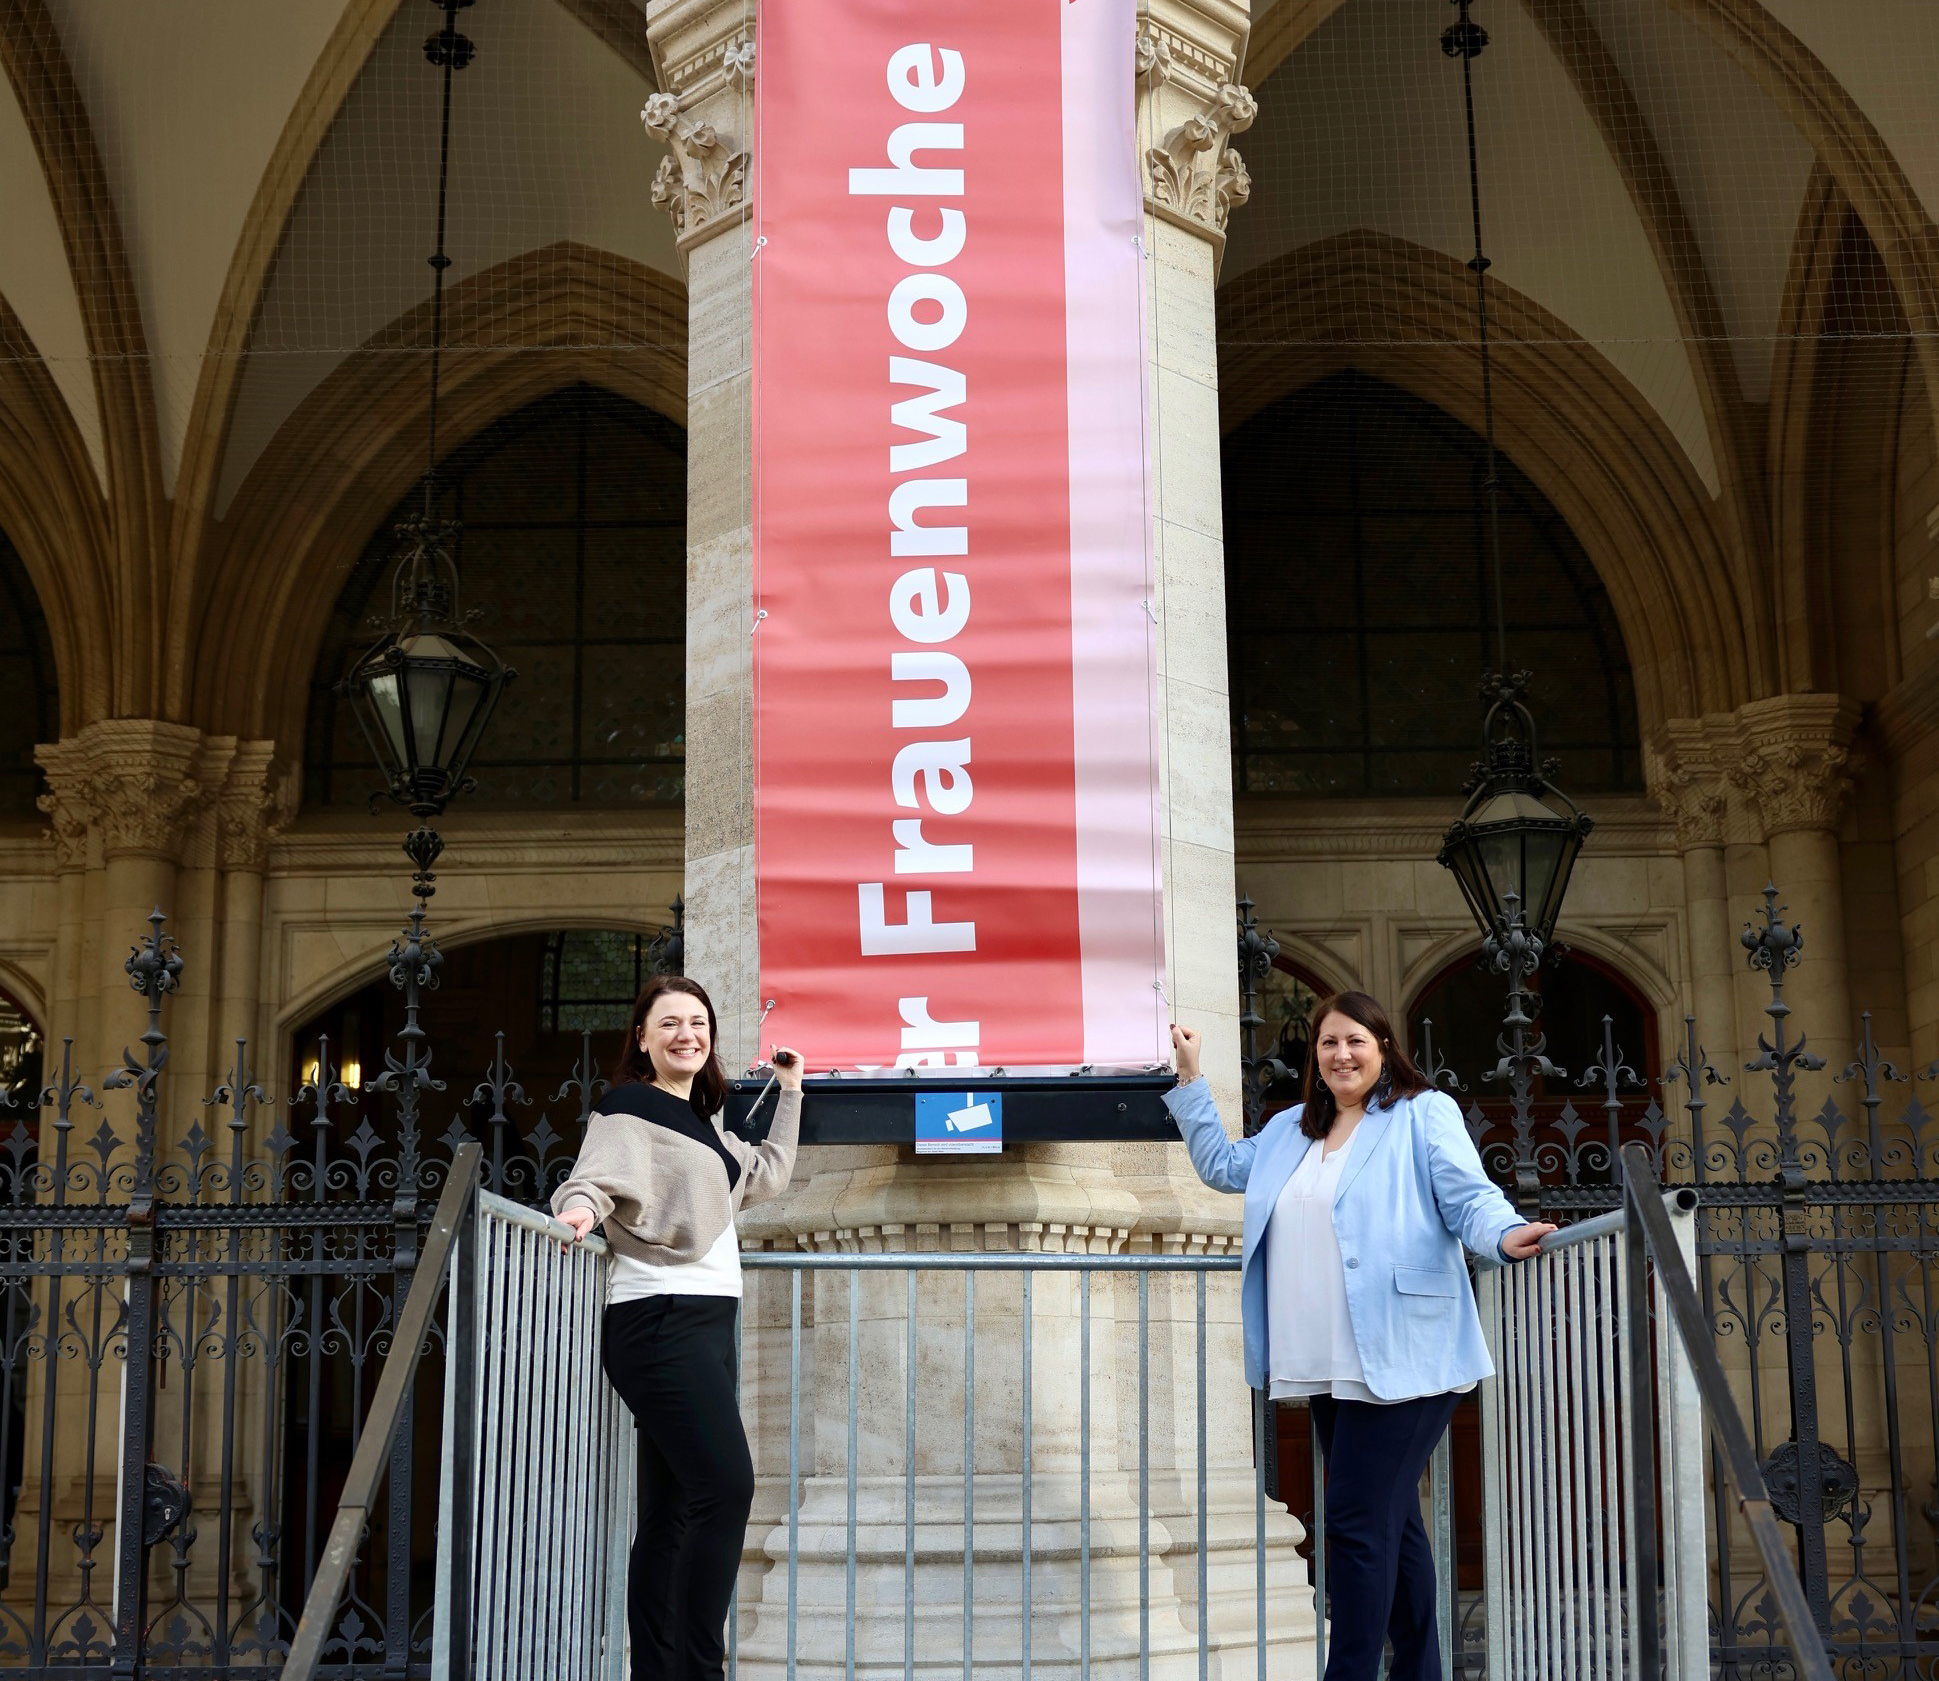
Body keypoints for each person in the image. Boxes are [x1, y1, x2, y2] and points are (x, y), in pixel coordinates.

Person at [1168, 994, 1554, 1681]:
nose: (1341, 1054)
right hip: (1321, 1357)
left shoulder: (1419, 1112)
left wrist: (1501, 1232)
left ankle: (1346, 1671)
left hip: (1405, 1350)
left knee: (1350, 1522)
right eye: (1327, 1044)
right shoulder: (1292, 1126)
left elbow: (1466, 1195)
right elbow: (1224, 1168)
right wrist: (1191, 1077)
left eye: (1354, 1040)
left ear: (1382, 1045)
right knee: (1391, 1523)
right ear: (1313, 1058)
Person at [552, 976, 805, 1681]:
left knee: (671, 1510)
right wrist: (577, 1212)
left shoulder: (704, 1125)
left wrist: (789, 1093)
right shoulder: (629, 1110)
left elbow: (766, 1175)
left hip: (705, 1323)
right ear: (642, 1037)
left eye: (698, 1022)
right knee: (726, 1488)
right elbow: (592, 1177)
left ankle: (657, 1672)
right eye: (669, 1022)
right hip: (658, 1317)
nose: (686, 1033)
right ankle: (700, 1669)